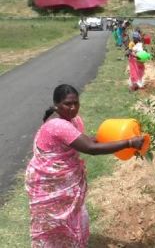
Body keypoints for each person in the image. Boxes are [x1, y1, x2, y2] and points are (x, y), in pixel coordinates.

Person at [25, 84, 145, 247]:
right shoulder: (58, 125)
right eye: (67, 104)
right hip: (51, 185)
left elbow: (84, 141)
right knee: (53, 226)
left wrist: (109, 138)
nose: (73, 107)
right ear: (56, 105)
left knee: (74, 219)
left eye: (76, 103)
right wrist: (129, 142)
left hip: (65, 183)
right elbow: (91, 149)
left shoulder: (72, 121)